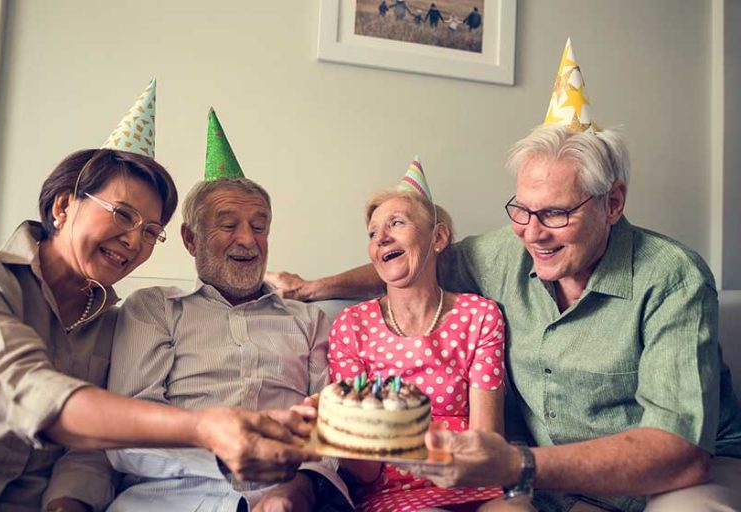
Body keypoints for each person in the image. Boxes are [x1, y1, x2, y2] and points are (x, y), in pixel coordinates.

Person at [267, 40, 741, 511]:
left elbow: (681, 454)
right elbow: (410, 263)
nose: (533, 234)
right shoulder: (502, 254)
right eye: (522, 210)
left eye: (555, 213)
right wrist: (315, 288)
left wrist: (519, 465)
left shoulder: (672, 277)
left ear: (612, 203)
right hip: (550, 488)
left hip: (669, 480)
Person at [0, 84, 316, 512]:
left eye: (151, 230)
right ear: (63, 207)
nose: (134, 240)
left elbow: (89, 451)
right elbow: (24, 388)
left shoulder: (105, 320)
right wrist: (206, 429)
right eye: (123, 214)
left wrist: (67, 504)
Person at [106, 110, 350, 512]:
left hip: (289, 497)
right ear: (190, 239)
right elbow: (128, 433)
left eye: (259, 225)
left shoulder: (309, 320)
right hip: (170, 498)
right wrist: (232, 458)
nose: (248, 240)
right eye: (228, 224)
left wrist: (301, 486)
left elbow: (333, 425)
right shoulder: (154, 309)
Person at [326, 157, 518, 511]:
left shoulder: (480, 316)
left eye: (396, 223)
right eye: (372, 233)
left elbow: (486, 442)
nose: (381, 237)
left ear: (438, 237)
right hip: (392, 496)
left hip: (476, 484)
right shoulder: (352, 327)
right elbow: (364, 469)